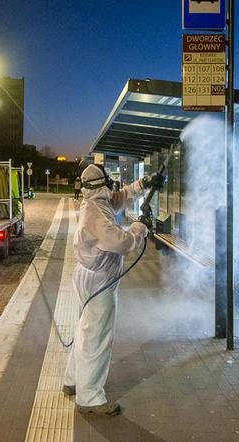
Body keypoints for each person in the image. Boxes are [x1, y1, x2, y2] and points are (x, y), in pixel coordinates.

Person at [63, 164, 163, 416]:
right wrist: (140, 226)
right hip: (99, 282)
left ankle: (73, 380)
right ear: (103, 183)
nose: (112, 187)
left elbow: (120, 198)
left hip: (88, 276)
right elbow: (124, 242)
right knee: (97, 338)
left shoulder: (96, 203)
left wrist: (145, 183)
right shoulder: (97, 217)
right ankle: (90, 398)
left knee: (85, 330)